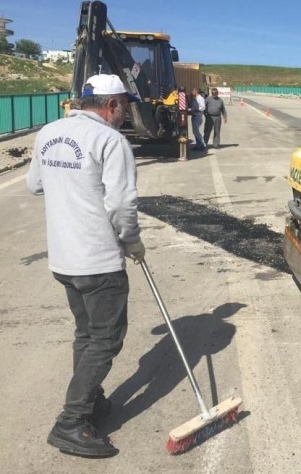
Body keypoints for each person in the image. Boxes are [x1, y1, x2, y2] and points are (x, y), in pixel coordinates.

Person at [27, 74, 145, 457]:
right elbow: (121, 205)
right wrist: (131, 241)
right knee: (106, 339)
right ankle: (71, 422)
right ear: (111, 106)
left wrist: (70, 186)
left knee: (86, 335)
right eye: (123, 106)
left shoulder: (50, 132)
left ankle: (92, 402)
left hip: (63, 258)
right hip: (97, 260)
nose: (124, 113)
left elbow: (35, 184)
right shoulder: (111, 141)